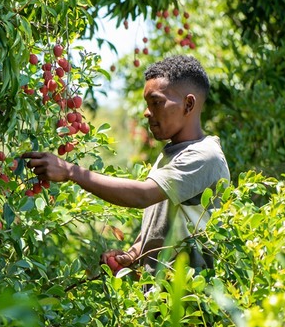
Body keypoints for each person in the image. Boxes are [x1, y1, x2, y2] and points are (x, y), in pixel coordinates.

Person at [22, 55, 230, 273]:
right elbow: (165, 222)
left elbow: (143, 195)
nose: (147, 112)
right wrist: (133, 254)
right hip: (161, 291)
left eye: (156, 102)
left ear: (188, 104)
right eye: (147, 104)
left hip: (189, 292)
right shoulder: (173, 153)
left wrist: (70, 171)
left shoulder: (204, 156)